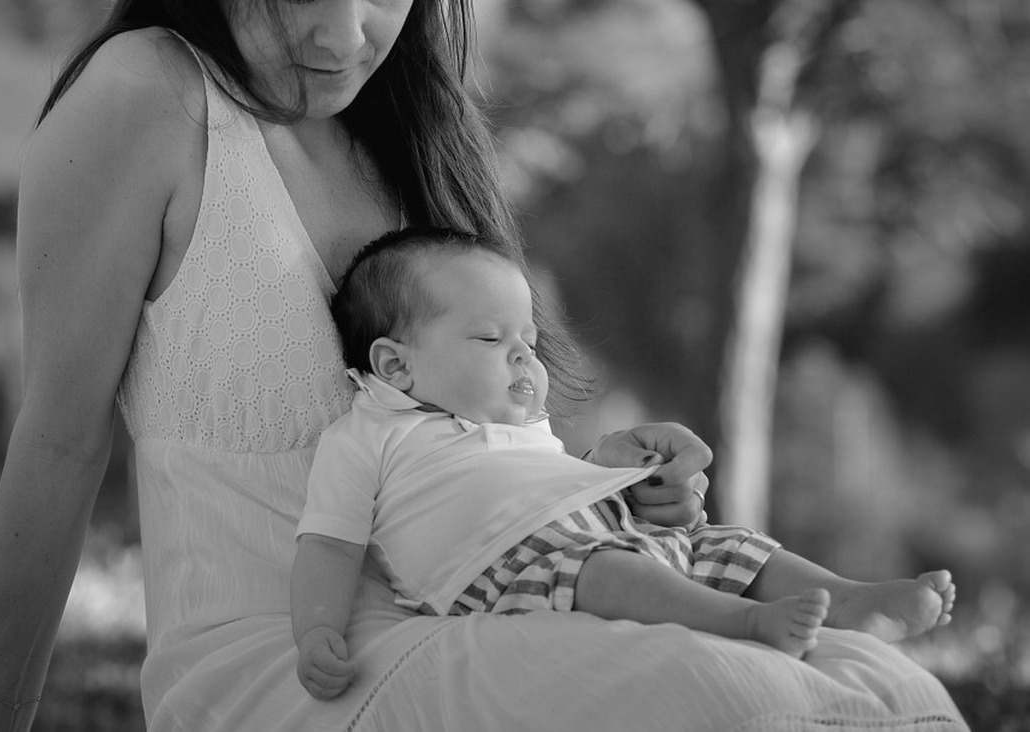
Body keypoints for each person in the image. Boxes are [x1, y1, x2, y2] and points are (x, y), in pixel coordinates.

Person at [0, 0, 969, 732]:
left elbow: (489, 453)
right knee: (738, 701)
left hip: (493, 614)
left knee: (882, 686)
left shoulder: (416, 142)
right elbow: (55, 450)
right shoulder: (145, 102)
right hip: (292, 673)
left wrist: (614, 481)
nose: (344, 35)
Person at [293, 227, 955, 700]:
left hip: (608, 531)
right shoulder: (368, 436)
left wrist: (613, 468)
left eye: (529, 341)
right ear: (394, 365)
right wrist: (319, 630)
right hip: (510, 568)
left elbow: (548, 483)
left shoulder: (523, 424)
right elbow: (327, 544)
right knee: (605, 572)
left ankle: (854, 599)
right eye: (492, 339)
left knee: (728, 546)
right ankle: (741, 623)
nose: (524, 358)